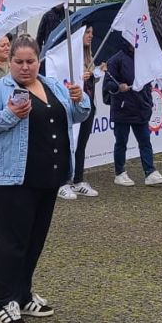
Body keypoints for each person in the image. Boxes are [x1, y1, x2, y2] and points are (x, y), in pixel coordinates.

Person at [0, 36, 90, 323]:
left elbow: (77, 116)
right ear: (10, 62)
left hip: (48, 176)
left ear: (39, 61)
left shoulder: (52, 86)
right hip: (13, 178)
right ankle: (1, 301)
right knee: (12, 242)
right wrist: (8, 115)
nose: (25, 67)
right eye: (19, 62)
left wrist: (80, 99)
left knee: (35, 240)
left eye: (30, 61)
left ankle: (22, 295)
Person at [105, 40, 162, 186]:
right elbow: (108, 83)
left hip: (141, 107)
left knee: (145, 141)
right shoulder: (116, 60)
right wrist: (118, 86)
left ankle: (150, 172)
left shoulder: (145, 58)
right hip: (123, 108)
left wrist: (148, 101)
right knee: (121, 142)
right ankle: (120, 172)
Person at [61, 26, 103, 200]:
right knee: (67, 143)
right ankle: (63, 182)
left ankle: (78, 180)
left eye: (92, 32)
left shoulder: (89, 57)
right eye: (87, 32)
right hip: (71, 107)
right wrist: (80, 76)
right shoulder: (69, 55)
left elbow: (90, 83)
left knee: (81, 144)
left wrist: (94, 74)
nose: (91, 36)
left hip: (88, 106)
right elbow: (64, 78)